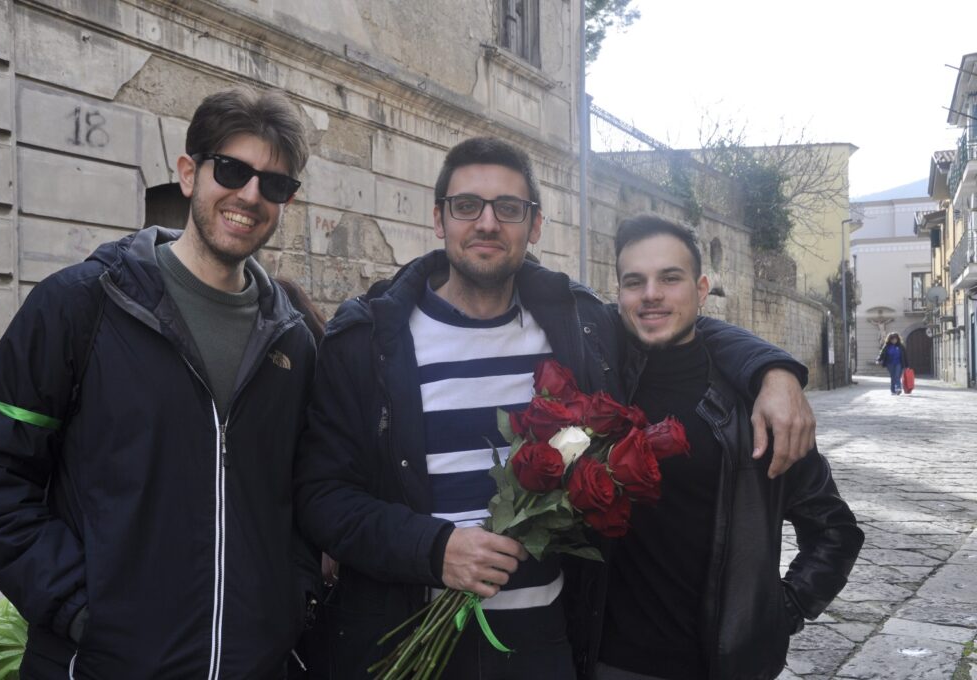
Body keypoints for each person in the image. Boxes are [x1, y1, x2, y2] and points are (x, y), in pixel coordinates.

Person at [294, 137, 819, 679]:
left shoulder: (581, 328)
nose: (488, 223)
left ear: (536, 226)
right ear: (439, 219)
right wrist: (433, 550)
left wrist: (772, 371)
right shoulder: (368, 341)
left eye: (510, 209)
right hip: (406, 635)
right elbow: (321, 498)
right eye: (467, 205)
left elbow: (673, 319)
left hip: (544, 643)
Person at [0, 87, 319, 679]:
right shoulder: (79, 305)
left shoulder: (293, 343)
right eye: (232, 170)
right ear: (187, 172)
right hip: (98, 663)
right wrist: (80, 608)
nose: (250, 196)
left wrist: (290, 600)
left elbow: (302, 497)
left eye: (273, 184)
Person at [572, 214, 864, 680]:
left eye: (670, 278)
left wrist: (778, 613)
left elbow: (835, 531)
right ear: (619, 293)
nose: (651, 294)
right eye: (635, 281)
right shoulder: (600, 383)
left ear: (702, 288)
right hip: (604, 662)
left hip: (716, 666)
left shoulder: (755, 409)